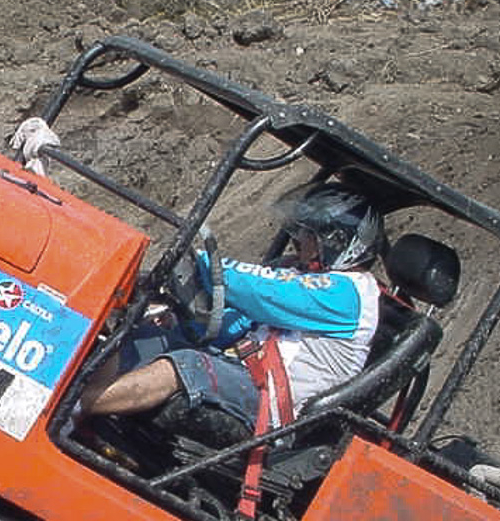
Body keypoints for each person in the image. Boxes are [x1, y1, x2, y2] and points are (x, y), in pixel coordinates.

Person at [82, 185, 385, 435]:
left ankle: (74, 403)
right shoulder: (310, 281)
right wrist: (179, 320)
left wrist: (201, 264)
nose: (296, 242)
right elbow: (236, 323)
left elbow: (262, 293)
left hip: (273, 408)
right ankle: (73, 394)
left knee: (189, 365)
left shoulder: (350, 293)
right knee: (148, 336)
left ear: (337, 242)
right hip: (246, 374)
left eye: (306, 235)